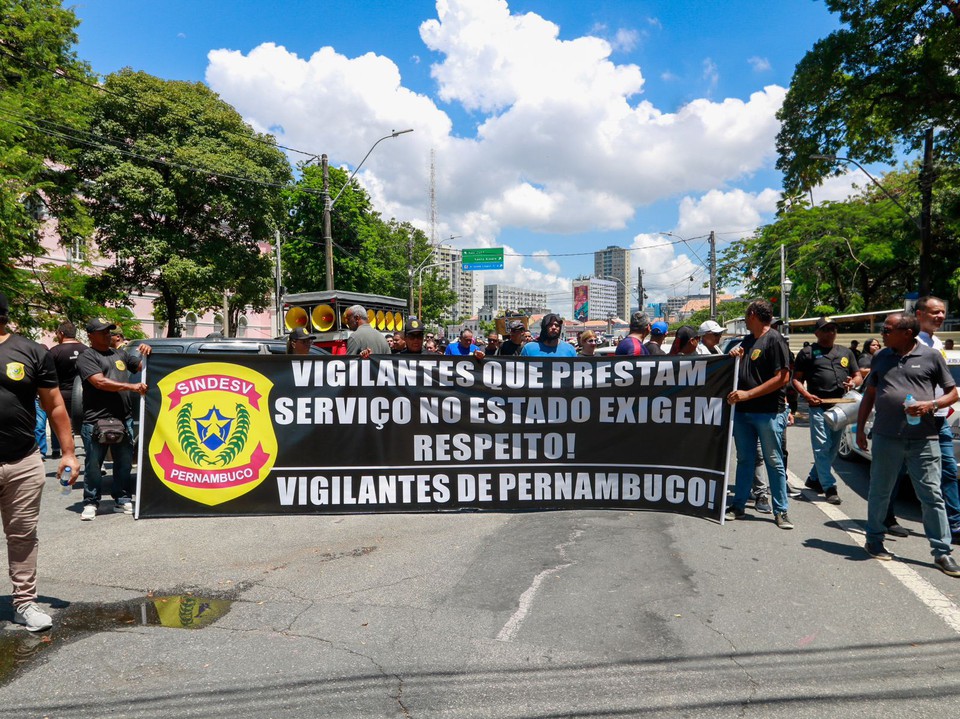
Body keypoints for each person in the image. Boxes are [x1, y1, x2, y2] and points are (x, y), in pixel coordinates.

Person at [856, 312, 960, 576]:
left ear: (907, 333)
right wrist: (859, 429)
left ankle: (942, 552)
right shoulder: (881, 357)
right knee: (880, 491)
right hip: (886, 436)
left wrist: (930, 405)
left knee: (932, 496)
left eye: (888, 329)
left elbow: (952, 393)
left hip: (924, 438)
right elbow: (869, 394)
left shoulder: (931, 356)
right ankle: (874, 540)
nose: (882, 334)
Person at [0, 293, 80, 630]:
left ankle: (25, 603)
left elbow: (55, 405)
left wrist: (69, 452)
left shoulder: (31, 351)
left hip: (22, 461)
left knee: (22, 536)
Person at [725, 300, 793, 529]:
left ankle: (781, 510)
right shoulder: (748, 340)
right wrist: (736, 356)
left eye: (746, 315)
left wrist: (748, 394)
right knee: (745, 460)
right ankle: (739, 505)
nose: (744, 319)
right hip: (744, 413)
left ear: (752, 314)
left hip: (768, 412)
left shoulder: (774, 339)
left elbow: (783, 377)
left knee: (773, 461)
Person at [76, 317, 151, 520]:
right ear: (91, 336)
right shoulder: (87, 357)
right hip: (96, 420)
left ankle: (122, 499)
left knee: (124, 462)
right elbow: (99, 382)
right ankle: (91, 502)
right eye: (102, 332)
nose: (108, 334)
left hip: (123, 418)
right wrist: (130, 387)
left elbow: (142, 367)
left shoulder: (120, 353)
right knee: (94, 464)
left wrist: (146, 350)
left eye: (109, 331)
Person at [791, 317, 861, 505]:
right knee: (822, 446)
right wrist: (806, 395)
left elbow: (858, 375)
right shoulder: (807, 353)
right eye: (826, 329)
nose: (830, 332)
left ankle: (814, 479)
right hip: (817, 406)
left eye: (833, 329)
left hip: (840, 406)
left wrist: (853, 382)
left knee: (832, 448)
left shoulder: (846, 352)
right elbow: (795, 379)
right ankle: (829, 487)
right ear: (817, 333)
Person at [914, 296, 960, 539]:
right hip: (916, 420)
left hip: (939, 418)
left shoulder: (938, 342)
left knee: (948, 472)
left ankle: (955, 525)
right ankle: (885, 518)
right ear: (919, 314)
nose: (940, 316)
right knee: (897, 471)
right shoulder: (911, 342)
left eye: (942, 312)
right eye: (935, 312)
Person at [47, 321, 90, 459]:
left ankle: (62, 452)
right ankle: (91, 454)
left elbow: (48, 376)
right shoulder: (87, 350)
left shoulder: (54, 352)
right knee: (86, 425)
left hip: (62, 395)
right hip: (84, 394)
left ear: (62, 333)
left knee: (63, 425)